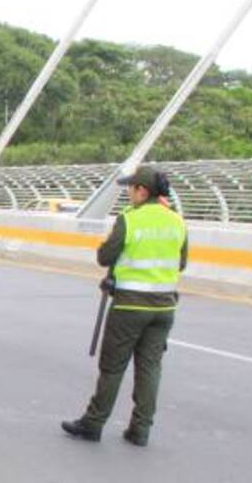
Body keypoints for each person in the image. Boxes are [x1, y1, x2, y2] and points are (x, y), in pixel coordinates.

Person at [62, 166, 187, 446]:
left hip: (130, 306)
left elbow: (106, 257)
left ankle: (93, 424)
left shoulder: (130, 220)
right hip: (164, 308)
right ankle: (140, 430)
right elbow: (181, 263)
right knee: (150, 367)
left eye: (131, 189)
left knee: (113, 367)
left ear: (142, 191)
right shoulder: (177, 221)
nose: (129, 193)